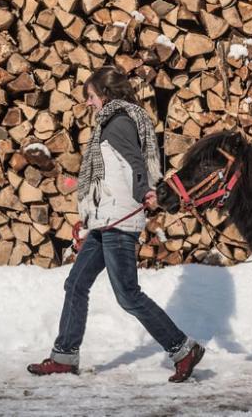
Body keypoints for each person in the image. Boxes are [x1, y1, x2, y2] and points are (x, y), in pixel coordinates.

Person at [28, 66, 205, 382]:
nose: (88, 103)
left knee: (127, 295)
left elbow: (136, 165)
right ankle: (65, 356)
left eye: (91, 96)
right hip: (104, 220)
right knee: (76, 284)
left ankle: (182, 348)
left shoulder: (119, 122)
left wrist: (143, 193)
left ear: (105, 94)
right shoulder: (111, 122)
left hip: (119, 221)